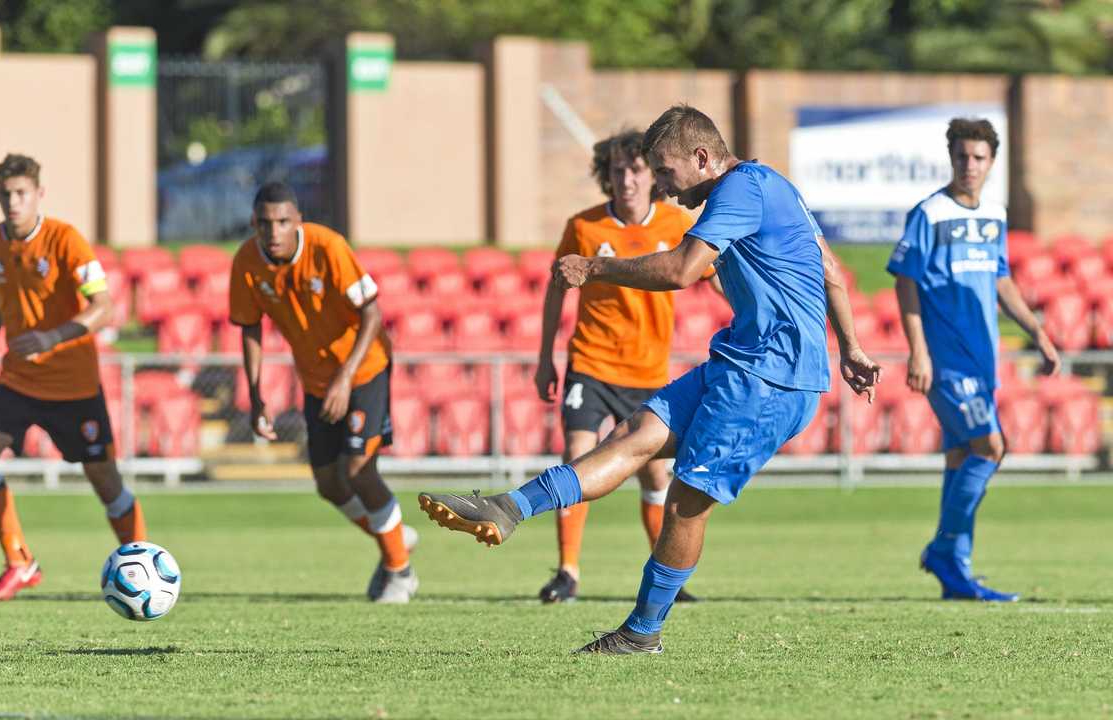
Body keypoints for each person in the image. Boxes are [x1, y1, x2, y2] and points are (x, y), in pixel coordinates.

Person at [419, 104, 880, 654]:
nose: (660, 186)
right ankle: (509, 508)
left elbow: (684, 270)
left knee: (686, 499)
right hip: (740, 361)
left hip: (770, 379)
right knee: (634, 435)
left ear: (703, 158)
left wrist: (596, 267)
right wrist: (850, 345)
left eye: (665, 172)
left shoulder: (741, 188)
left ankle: (642, 632)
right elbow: (830, 269)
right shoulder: (771, 187)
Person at [0, 153, 144, 601]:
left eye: (21, 193)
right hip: (18, 380)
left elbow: (104, 306)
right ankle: (19, 562)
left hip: (74, 385)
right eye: (5, 194)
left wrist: (53, 337)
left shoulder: (65, 239)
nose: (13, 202)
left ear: (39, 195)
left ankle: (144, 562)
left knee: (104, 479)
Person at [534, 129, 723, 604]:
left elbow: (713, 275)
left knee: (657, 477)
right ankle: (568, 572)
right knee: (579, 454)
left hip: (647, 372)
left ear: (653, 175)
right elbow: (557, 287)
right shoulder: (584, 227)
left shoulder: (676, 228)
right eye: (617, 169)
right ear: (606, 175)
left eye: (636, 168)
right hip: (591, 365)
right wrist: (544, 360)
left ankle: (668, 578)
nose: (627, 178)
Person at [887, 118, 1060, 602]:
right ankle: (945, 550)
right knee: (991, 447)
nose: (969, 165)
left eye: (978, 157)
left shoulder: (996, 214)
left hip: (983, 358)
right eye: (962, 156)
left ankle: (955, 573)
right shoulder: (930, 213)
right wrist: (918, 350)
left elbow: (1001, 278)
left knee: (963, 454)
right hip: (945, 360)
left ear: (991, 162)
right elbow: (906, 281)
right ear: (951, 157)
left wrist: (1038, 331)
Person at [228, 182, 417, 603]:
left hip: (364, 369)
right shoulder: (246, 262)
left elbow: (372, 312)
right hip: (316, 381)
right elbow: (250, 327)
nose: (273, 231)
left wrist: (346, 377)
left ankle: (399, 570)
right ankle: (397, 540)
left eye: (282, 222)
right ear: (254, 225)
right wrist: (256, 396)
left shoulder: (328, 247)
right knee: (329, 484)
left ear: (298, 221)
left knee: (358, 471)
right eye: (264, 223)